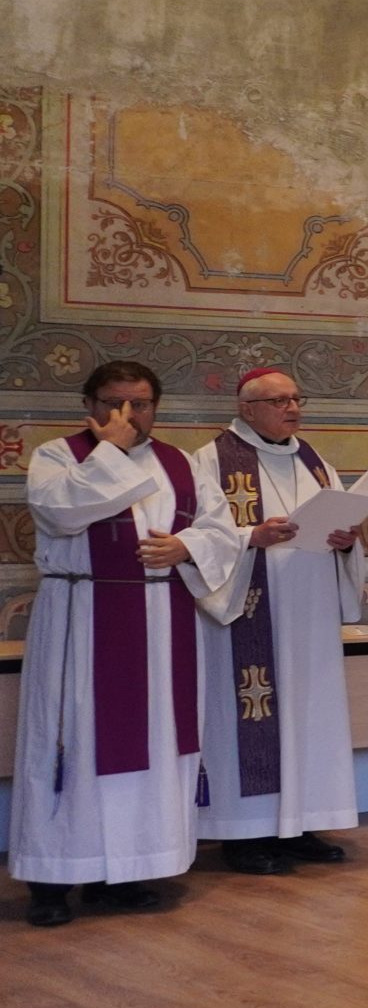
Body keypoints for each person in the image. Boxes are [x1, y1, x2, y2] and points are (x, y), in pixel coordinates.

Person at [12, 362, 243, 926]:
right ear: (88, 404)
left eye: (139, 404)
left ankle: (130, 871)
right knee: (72, 739)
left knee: (156, 740)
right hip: (82, 619)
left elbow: (220, 530)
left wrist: (186, 548)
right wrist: (111, 451)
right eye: (112, 403)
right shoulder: (59, 456)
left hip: (163, 623)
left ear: (155, 407)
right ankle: (53, 879)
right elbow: (61, 513)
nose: (126, 415)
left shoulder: (181, 464)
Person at [191, 366, 366, 875]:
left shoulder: (314, 462)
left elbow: (341, 522)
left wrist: (346, 541)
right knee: (247, 714)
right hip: (248, 611)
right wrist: (252, 536)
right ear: (247, 408)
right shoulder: (211, 461)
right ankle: (244, 832)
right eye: (279, 401)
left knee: (309, 713)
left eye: (296, 399)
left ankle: (302, 822)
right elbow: (199, 538)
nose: (292, 408)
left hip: (309, 613)